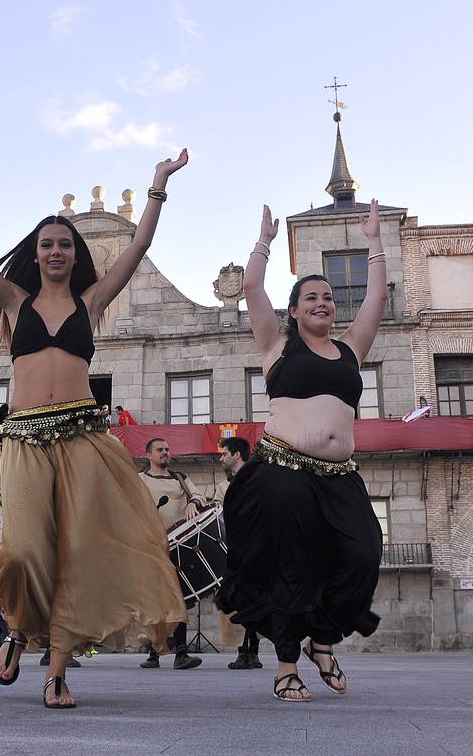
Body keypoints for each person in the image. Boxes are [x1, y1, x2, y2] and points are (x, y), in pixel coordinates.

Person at [0, 136, 189, 709]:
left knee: (75, 554)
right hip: (23, 437)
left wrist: (158, 183)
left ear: (77, 254)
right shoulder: (12, 299)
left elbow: (141, 241)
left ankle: (55, 672)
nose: (56, 252)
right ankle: (19, 633)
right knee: (26, 550)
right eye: (47, 244)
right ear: (36, 250)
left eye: (65, 245)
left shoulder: (92, 303)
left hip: (81, 437)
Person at [218, 204, 386, 703]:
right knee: (294, 566)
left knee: (364, 553)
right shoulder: (276, 344)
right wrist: (264, 241)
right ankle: (286, 667)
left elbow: (377, 294)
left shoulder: (353, 347)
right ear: (293, 310)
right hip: (282, 469)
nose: (322, 303)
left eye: (329, 297)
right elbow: (252, 287)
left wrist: (375, 240)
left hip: (340, 476)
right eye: (310, 297)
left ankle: (323, 639)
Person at [138, 438, 207, 670]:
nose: (165, 453)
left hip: (179, 546)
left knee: (181, 599)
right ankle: (153, 654)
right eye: (160, 450)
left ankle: (181, 653)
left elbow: (199, 496)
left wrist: (192, 504)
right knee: (155, 601)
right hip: (152, 548)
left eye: (167, 450)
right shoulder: (140, 480)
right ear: (149, 455)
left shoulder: (180, 478)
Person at [215, 437, 261, 670]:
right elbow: (216, 518)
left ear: (237, 455)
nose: (221, 458)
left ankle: (252, 651)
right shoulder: (224, 487)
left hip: (256, 548)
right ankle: (245, 651)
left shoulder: (259, 480)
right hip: (236, 549)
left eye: (224, 454)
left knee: (255, 597)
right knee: (241, 599)